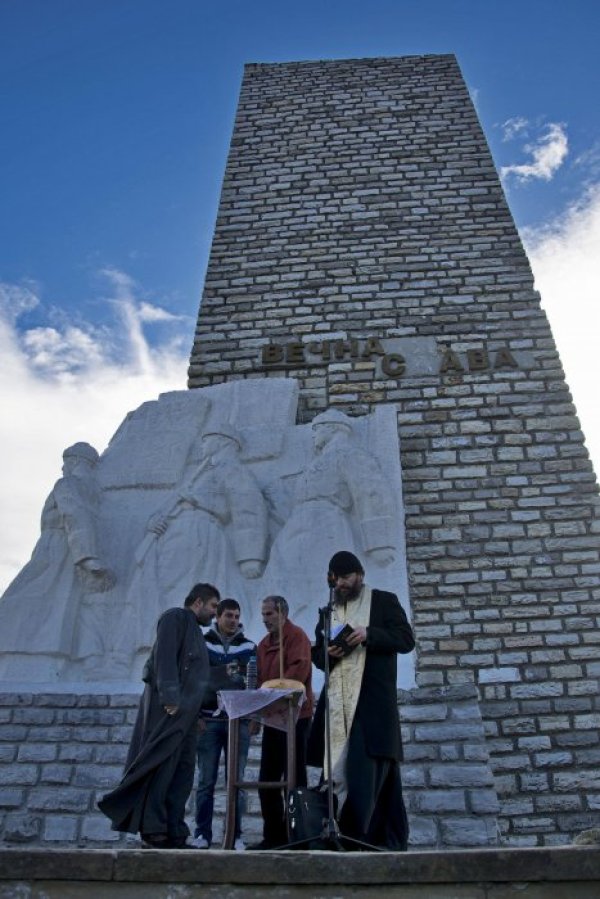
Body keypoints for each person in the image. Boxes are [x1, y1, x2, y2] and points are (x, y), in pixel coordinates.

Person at [98, 582, 220, 848]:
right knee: (162, 768)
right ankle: (154, 830)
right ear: (197, 602)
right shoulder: (174, 618)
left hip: (187, 718)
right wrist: (170, 697)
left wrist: (197, 713)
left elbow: (196, 679)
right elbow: (164, 659)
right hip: (169, 712)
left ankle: (174, 830)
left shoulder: (197, 632)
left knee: (183, 772)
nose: (215, 613)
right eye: (212, 606)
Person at [309, 551, 415, 851]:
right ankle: (349, 838)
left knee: (368, 775)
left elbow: (405, 640)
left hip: (370, 708)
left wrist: (368, 633)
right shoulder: (328, 612)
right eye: (336, 579)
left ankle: (362, 840)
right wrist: (326, 655)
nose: (341, 584)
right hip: (338, 709)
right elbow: (317, 655)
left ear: (360, 576)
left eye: (346, 577)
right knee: (343, 774)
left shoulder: (383, 601)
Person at [192, 597, 257, 850]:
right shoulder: (202, 643)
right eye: (228, 616)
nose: (233, 621)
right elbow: (195, 680)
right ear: (217, 616)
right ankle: (202, 834)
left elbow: (254, 683)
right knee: (206, 780)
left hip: (238, 721)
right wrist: (196, 714)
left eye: (237, 616)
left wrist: (254, 717)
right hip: (208, 721)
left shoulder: (250, 646)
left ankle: (235, 835)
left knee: (237, 782)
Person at [252, 595, 314, 849]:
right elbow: (258, 679)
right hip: (272, 719)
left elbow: (298, 671)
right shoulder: (263, 644)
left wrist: (272, 697)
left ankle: (298, 837)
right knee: (267, 779)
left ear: (282, 613)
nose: (265, 619)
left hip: (295, 716)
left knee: (295, 778)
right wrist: (257, 710)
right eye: (263, 614)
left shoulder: (297, 636)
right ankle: (273, 837)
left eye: (269, 614)